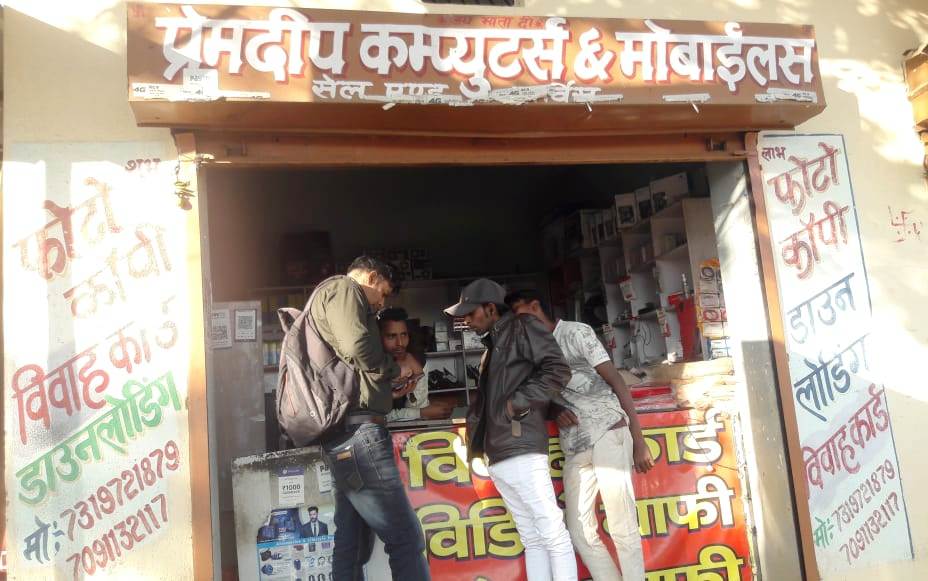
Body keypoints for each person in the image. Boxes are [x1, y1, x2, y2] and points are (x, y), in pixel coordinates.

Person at [506, 289, 655, 581]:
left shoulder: (576, 333)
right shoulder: (531, 350)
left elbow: (616, 381)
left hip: (608, 432)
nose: (519, 323)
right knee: (578, 530)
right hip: (575, 444)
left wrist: (639, 440)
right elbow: (538, 397)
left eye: (521, 314)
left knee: (622, 523)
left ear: (536, 306)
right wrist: (553, 411)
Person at [444, 279, 576, 581]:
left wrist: (517, 403)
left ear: (491, 308)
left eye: (471, 312)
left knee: (551, 533)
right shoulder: (493, 342)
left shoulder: (521, 326)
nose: (466, 319)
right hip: (501, 450)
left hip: (519, 445)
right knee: (533, 536)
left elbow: (557, 369)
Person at [311, 256, 430, 581]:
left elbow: (351, 360)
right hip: (360, 436)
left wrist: (384, 389)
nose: (382, 303)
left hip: (345, 434)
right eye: (384, 293)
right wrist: (396, 369)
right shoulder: (345, 288)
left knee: (351, 543)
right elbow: (357, 345)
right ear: (373, 277)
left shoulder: (329, 298)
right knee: (406, 538)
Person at [377, 307, 456, 421]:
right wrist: (421, 412)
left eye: (404, 335)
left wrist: (424, 408)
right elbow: (375, 418)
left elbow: (419, 407)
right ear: (378, 338)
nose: (400, 343)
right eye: (391, 336)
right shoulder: (369, 367)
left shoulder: (416, 362)